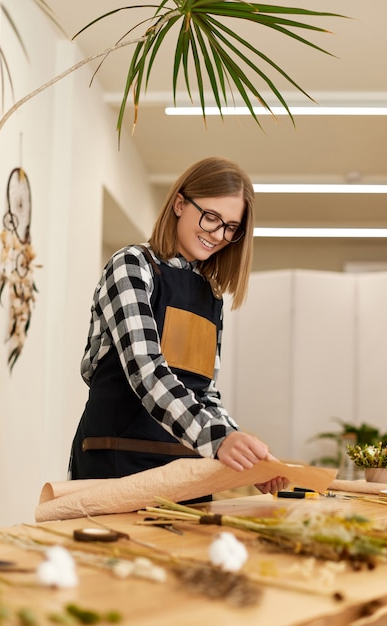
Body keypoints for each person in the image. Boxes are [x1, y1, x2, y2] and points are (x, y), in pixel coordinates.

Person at [69, 156, 288, 496]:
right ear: (180, 203)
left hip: (187, 467)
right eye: (211, 217)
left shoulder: (211, 295)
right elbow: (147, 372)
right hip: (116, 461)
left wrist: (244, 453)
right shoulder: (131, 266)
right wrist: (219, 440)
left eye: (231, 227)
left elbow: (205, 393)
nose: (218, 235)